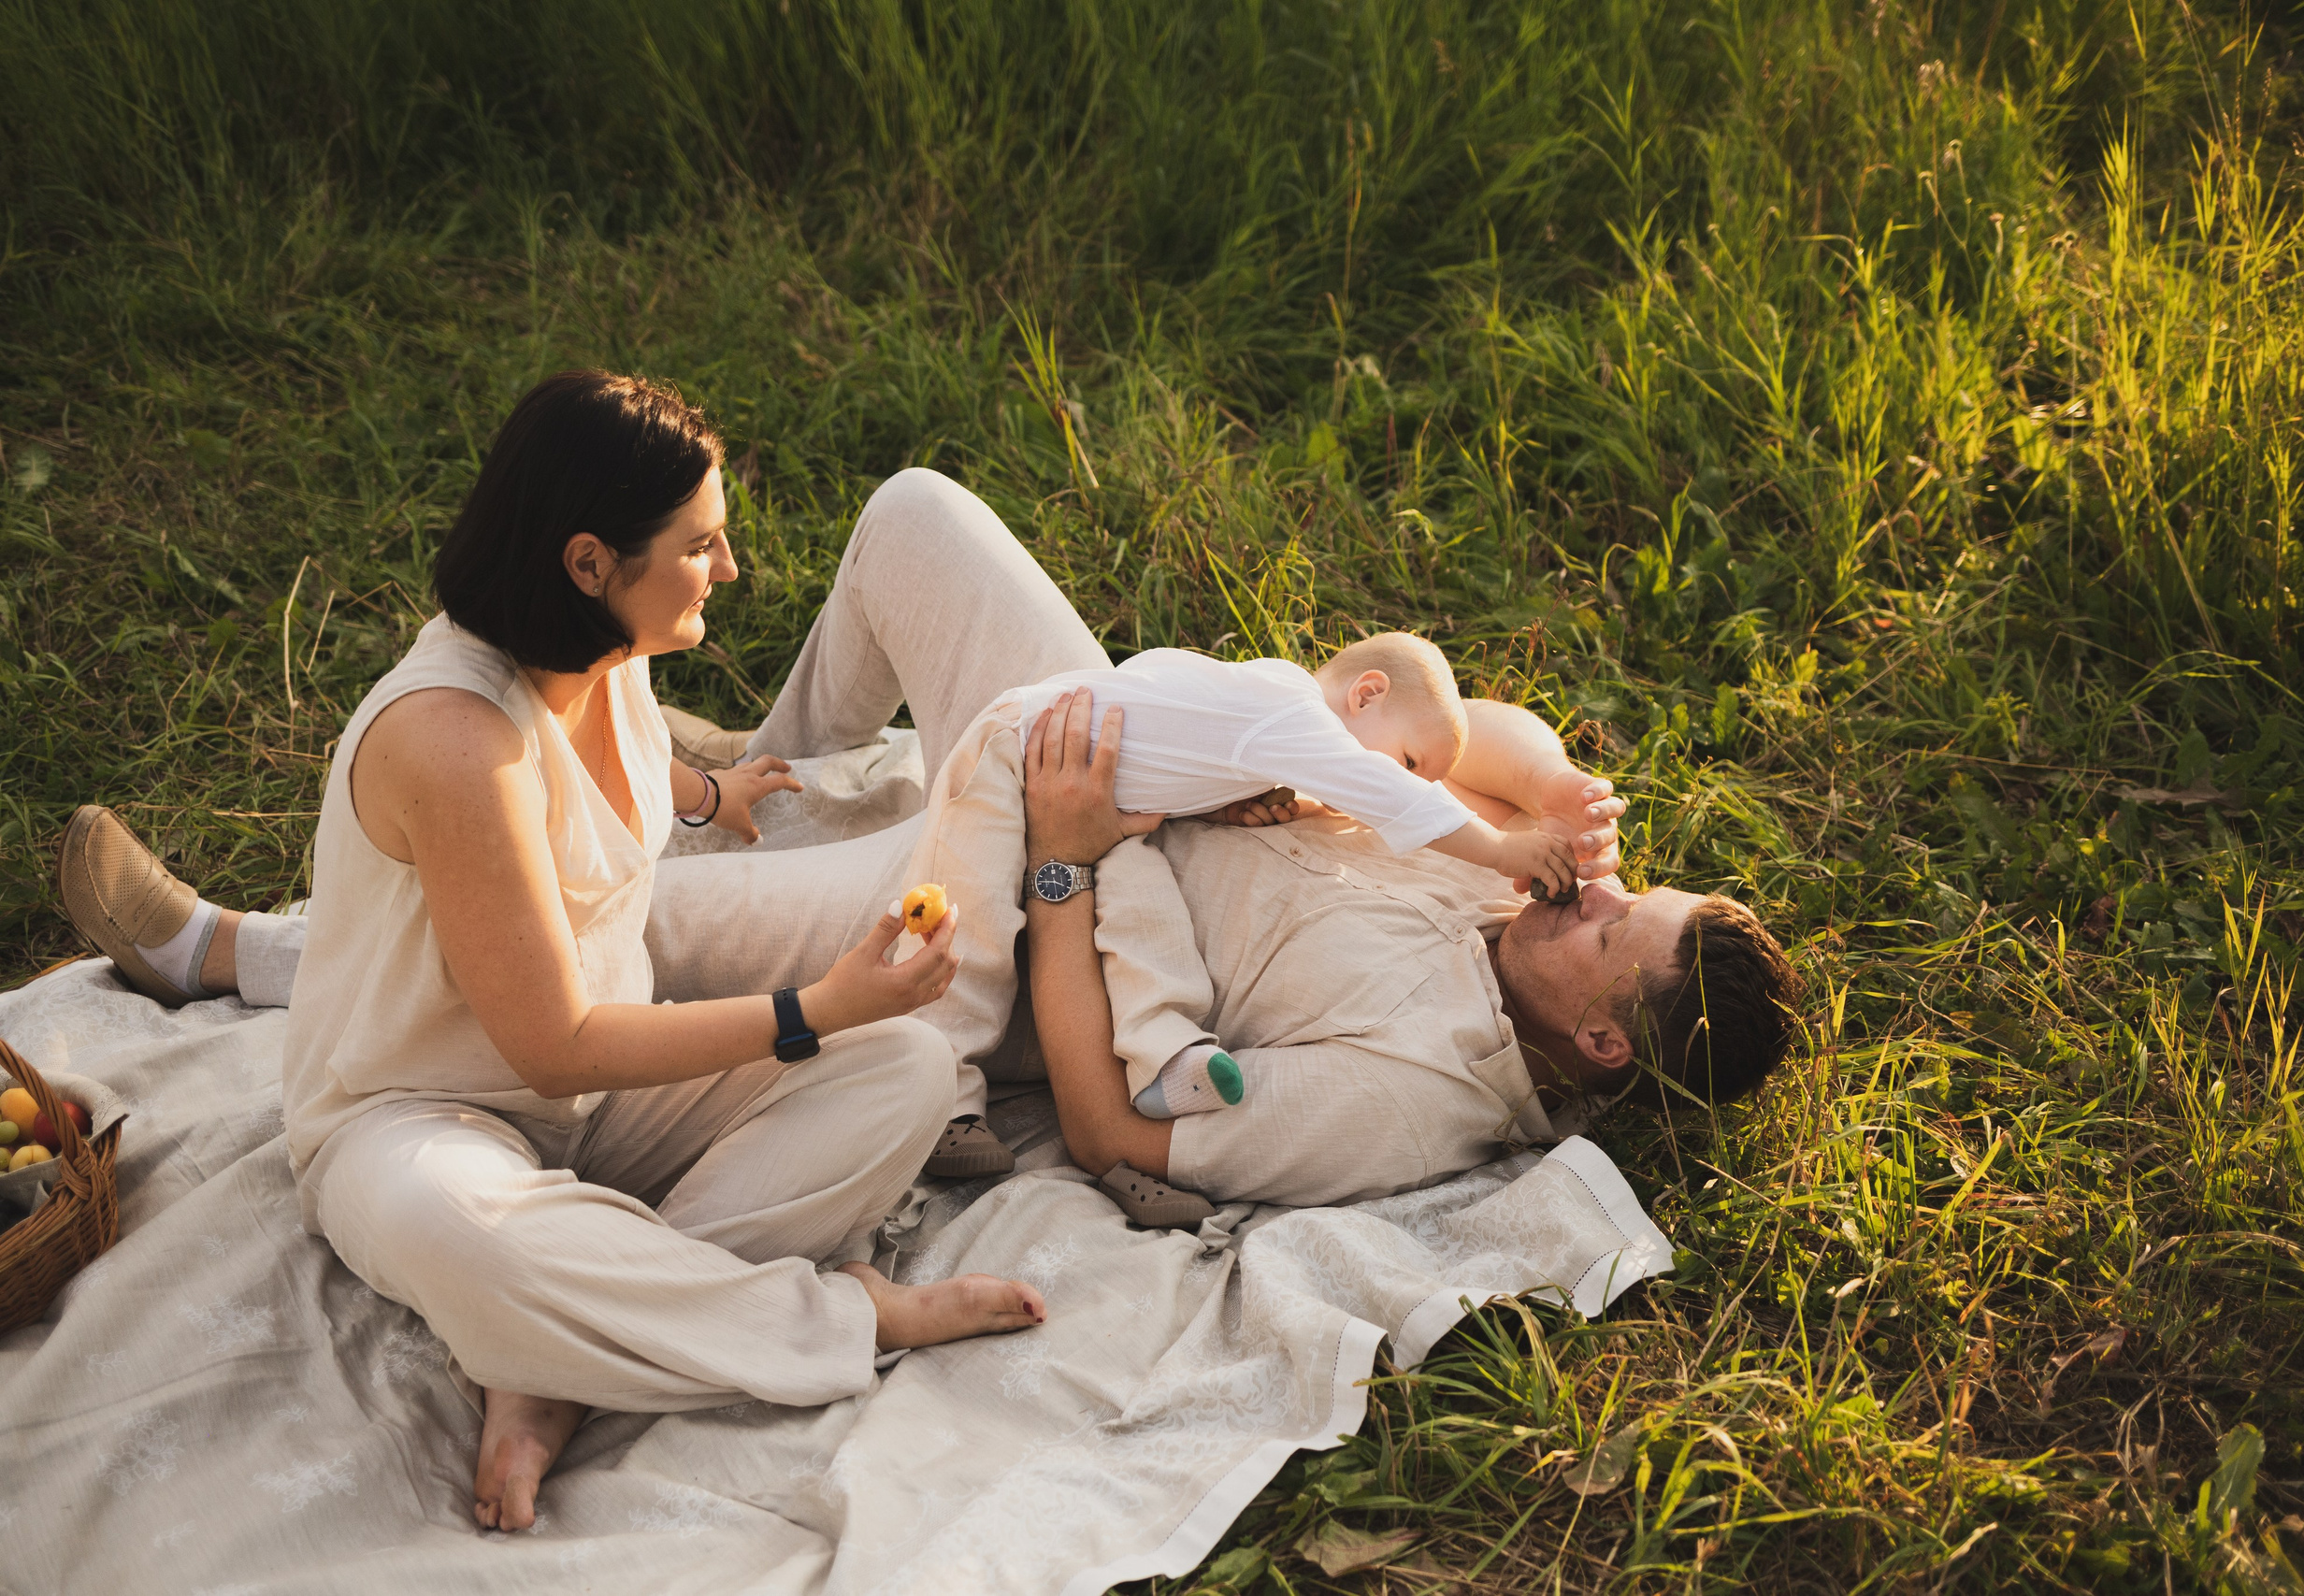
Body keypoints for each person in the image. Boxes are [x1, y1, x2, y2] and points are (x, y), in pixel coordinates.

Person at [65, 458, 1796, 1231]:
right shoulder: (1521, 882)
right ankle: (765, 769)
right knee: (914, 518)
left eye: (1617, 930)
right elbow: (1428, 706)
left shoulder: (1416, 1089)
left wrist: (1055, 868)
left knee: (611, 918)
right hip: (1101, 761)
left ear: (1595, 1038)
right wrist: (1518, 793)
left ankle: (224, 952)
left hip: (1032, 900)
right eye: (1637, 882)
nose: (1602, 897)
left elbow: (1122, 1129)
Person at [54, 373, 1045, 1536]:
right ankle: (842, 1319)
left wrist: (708, 791)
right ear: (588, 564)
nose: (728, 570)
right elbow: (552, 1041)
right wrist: (813, 1005)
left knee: (911, 1071)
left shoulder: (604, 658)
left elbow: (620, 773)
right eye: (700, 545)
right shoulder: (453, 743)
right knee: (468, 1237)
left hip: (610, 1101)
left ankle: (557, 1370)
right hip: (418, 1121)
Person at [876, 633, 1591, 1155]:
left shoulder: (1287, 717)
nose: (1411, 784)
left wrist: (1213, 798)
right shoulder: (1295, 715)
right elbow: (1400, 787)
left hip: (1098, 843)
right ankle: (947, 1105)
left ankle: (1164, 1055)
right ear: (1366, 692)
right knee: (958, 930)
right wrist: (1524, 814)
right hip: (1024, 754)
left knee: (1134, 931)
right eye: (1409, 765)